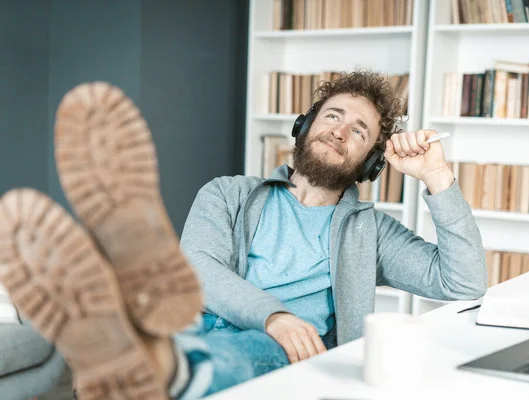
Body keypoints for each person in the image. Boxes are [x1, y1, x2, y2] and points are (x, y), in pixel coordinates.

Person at [0, 69, 487, 400]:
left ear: (372, 163)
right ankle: (136, 344)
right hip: (197, 320)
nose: (339, 130)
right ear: (305, 126)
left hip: (278, 352)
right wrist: (275, 315)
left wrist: (437, 177)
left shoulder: (372, 232)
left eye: (359, 131)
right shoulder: (229, 194)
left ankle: (153, 364)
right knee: (172, 312)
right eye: (332, 116)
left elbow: (463, 283)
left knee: (255, 349)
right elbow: (199, 269)